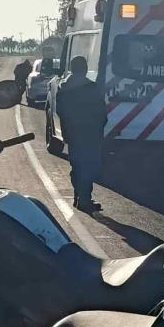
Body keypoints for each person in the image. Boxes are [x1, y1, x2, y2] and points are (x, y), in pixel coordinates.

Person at [56, 56, 107, 213]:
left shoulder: (63, 87)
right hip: (90, 133)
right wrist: (100, 126)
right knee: (88, 165)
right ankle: (83, 199)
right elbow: (101, 111)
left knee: (77, 164)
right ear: (84, 69)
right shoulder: (91, 87)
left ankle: (80, 196)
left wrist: (66, 129)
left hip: (72, 133)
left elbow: (60, 111)